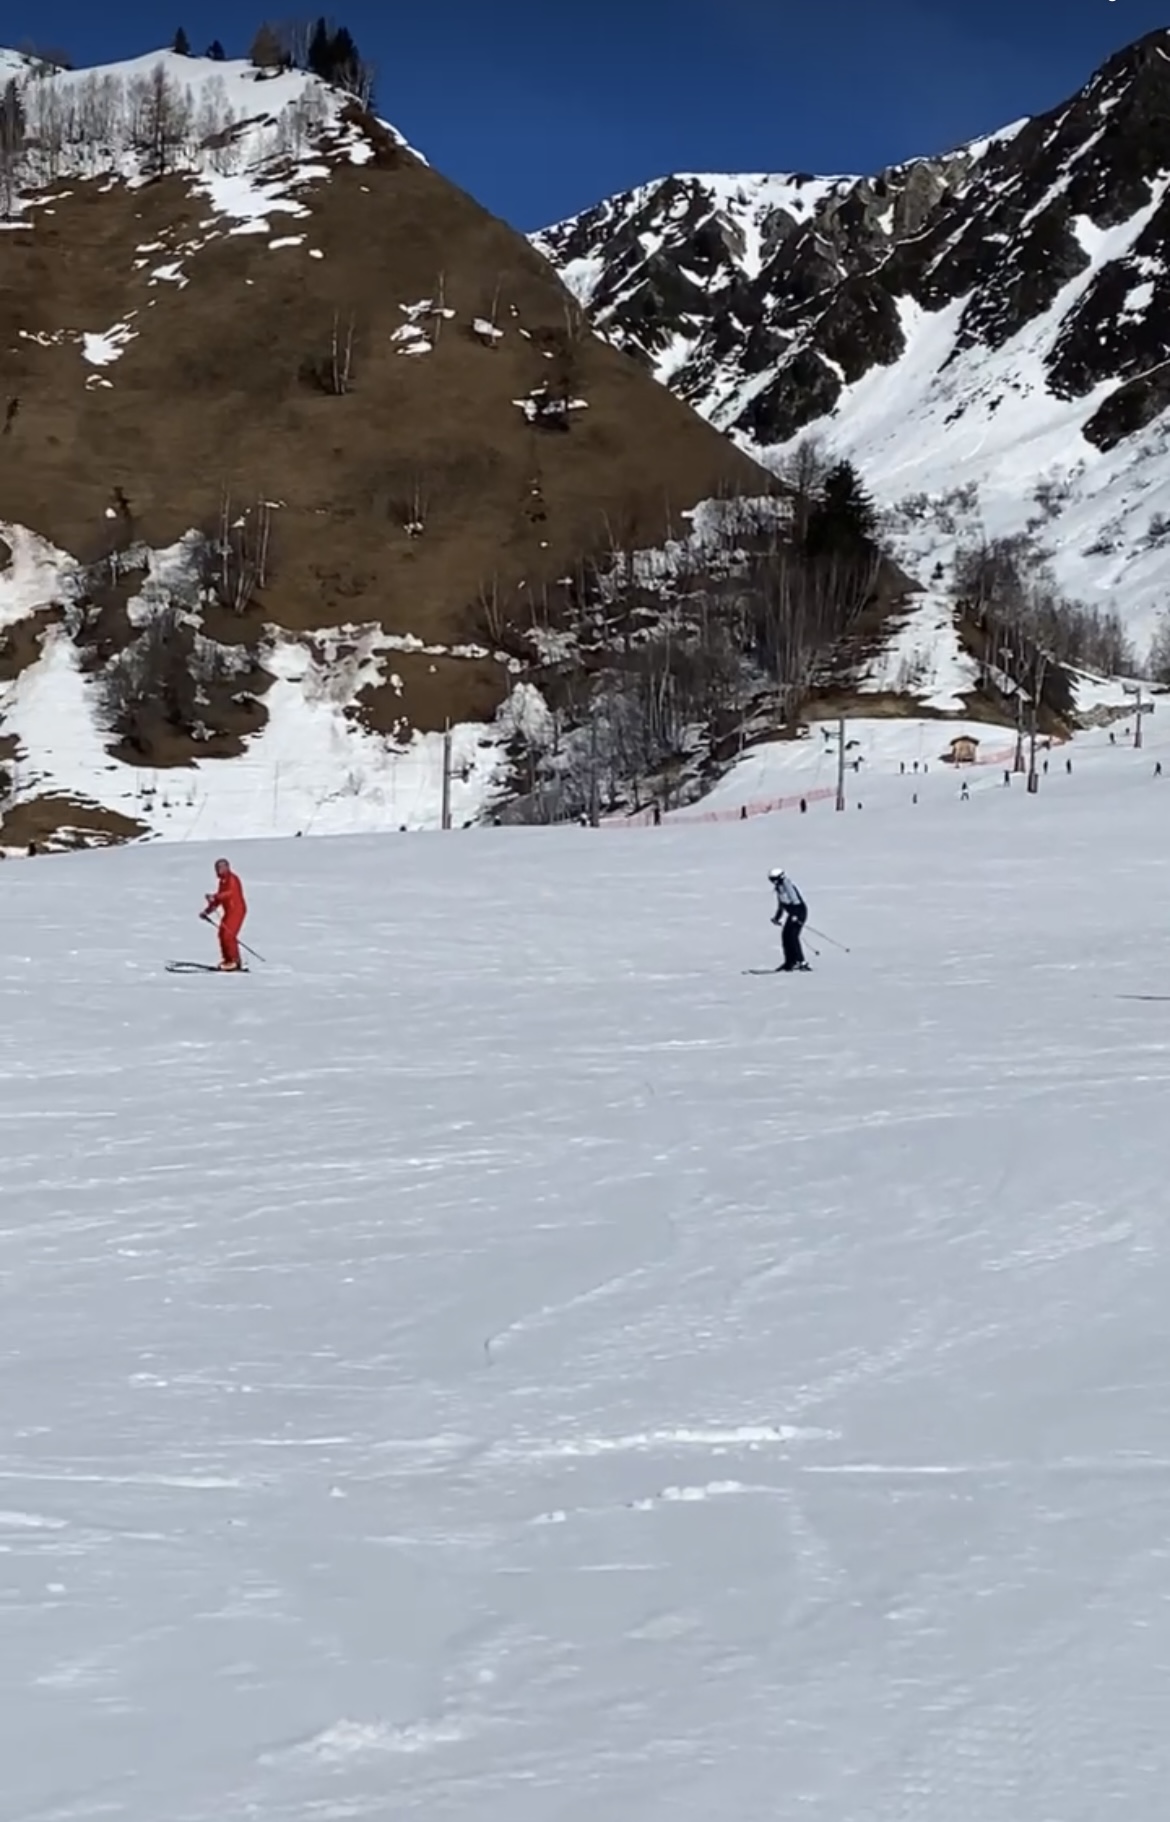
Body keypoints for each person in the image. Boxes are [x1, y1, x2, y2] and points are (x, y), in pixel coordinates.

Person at [202, 857, 247, 971]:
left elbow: (229, 893)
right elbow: (220, 899)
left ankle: (234, 961)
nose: (219, 870)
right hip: (229, 911)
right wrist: (207, 911)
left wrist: (215, 896)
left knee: (228, 935)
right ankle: (228, 959)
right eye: (217, 868)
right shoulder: (222, 882)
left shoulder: (232, 879)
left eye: (222, 867)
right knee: (222, 934)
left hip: (237, 910)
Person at [768, 867, 809, 972]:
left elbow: (795, 900)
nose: (773, 882)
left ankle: (801, 961)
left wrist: (795, 915)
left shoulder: (787, 885)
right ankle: (790, 962)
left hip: (799, 912)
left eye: (774, 879)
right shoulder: (779, 887)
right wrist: (777, 917)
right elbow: (781, 905)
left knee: (793, 936)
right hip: (793, 913)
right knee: (786, 936)